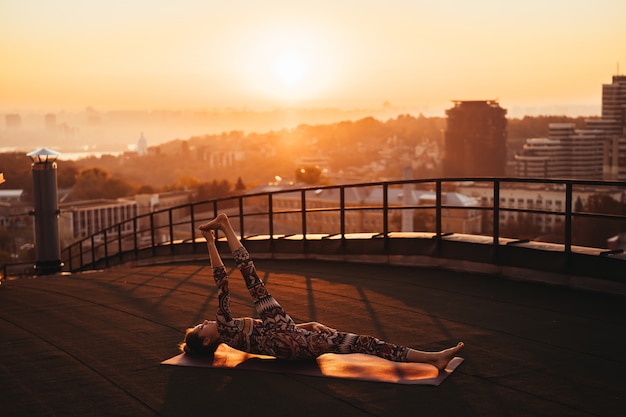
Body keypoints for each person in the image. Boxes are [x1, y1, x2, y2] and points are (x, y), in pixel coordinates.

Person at [180, 213, 464, 370]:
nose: (206, 322)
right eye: (202, 327)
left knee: (364, 343)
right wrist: (209, 242)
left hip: (291, 342)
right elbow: (222, 281)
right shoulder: (227, 330)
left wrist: (307, 328)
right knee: (252, 280)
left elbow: (265, 337)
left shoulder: (234, 336)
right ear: (207, 342)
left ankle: (432, 358)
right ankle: (226, 224)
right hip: (287, 339)